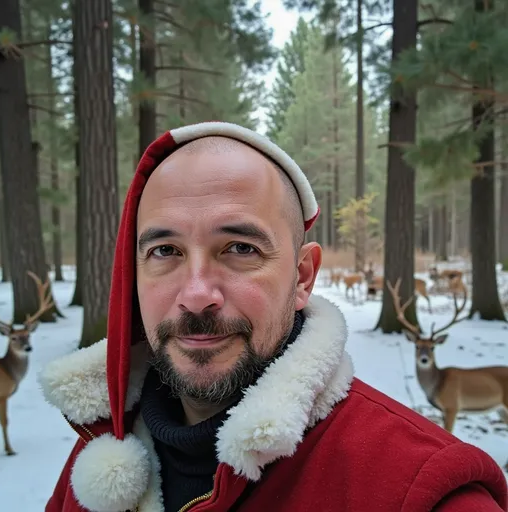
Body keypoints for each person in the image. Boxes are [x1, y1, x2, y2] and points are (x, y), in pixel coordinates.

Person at [40, 122, 507, 512]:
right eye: (165, 251)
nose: (197, 295)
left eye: (241, 249)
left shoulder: (421, 489)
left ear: (303, 277)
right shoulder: (96, 458)